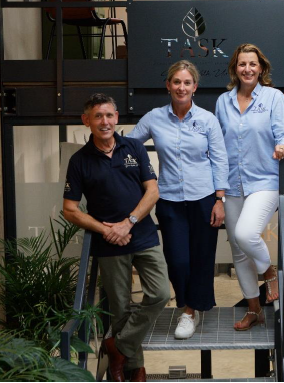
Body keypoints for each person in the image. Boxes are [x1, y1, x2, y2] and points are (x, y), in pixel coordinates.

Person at [63, 93, 170, 382]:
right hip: (109, 244)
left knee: (160, 293)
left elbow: (153, 191)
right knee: (120, 309)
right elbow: (70, 210)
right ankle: (134, 370)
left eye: (109, 115)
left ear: (117, 117)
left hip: (143, 235)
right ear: (87, 121)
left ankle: (117, 347)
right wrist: (107, 229)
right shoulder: (79, 161)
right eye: (98, 116)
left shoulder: (134, 147)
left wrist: (128, 223)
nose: (105, 121)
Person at [127, 60, 228, 340]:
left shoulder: (207, 119)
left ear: (195, 87)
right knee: (178, 260)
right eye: (176, 82)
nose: (181, 87)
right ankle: (186, 304)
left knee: (202, 258)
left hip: (204, 197)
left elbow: (220, 160)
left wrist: (220, 199)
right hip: (169, 198)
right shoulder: (154, 118)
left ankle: (189, 312)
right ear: (168, 85)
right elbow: (130, 147)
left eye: (187, 83)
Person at [215, 43, 284, 331]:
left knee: (246, 234)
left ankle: (270, 272)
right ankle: (254, 310)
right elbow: (218, 144)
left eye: (252, 64)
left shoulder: (273, 97)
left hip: (264, 179)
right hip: (232, 183)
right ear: (234, 69)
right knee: (238, 249)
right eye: (241, 64)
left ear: (261, 68)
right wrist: (218, 190)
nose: (247, 69)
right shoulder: (223, 102)